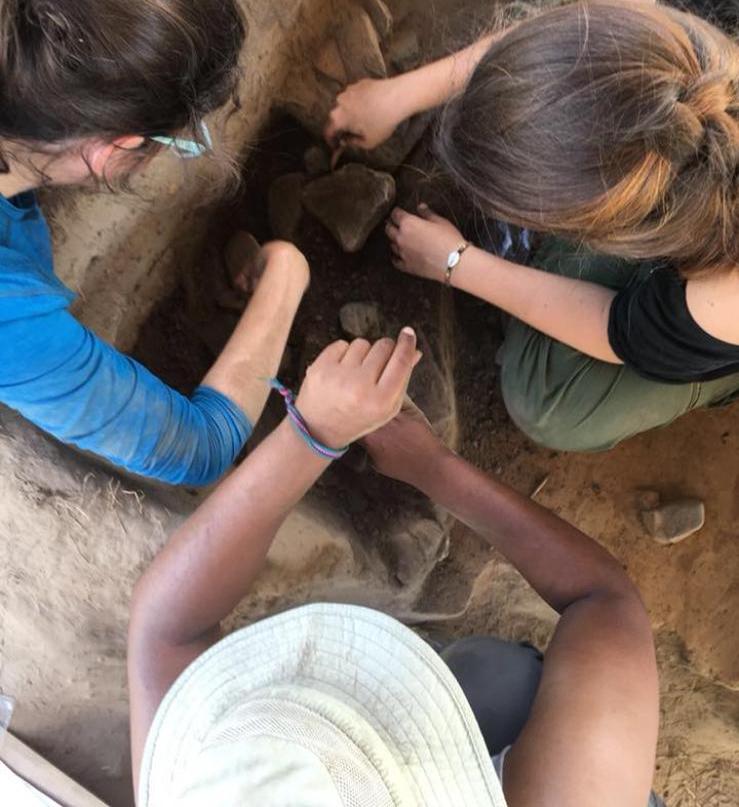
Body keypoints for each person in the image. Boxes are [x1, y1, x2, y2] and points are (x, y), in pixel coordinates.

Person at [127, 326, 663, 807]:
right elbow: (601, 598)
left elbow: (164, 629)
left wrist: (311, 434)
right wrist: (433, 466)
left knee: (482, 673)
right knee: (504, 675)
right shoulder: (574, 797)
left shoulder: (201, 787)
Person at [326, 0, 739, 452]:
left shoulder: (724, 296)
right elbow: (591, 25)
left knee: (547, 402)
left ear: (608, 229)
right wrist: (401, 94)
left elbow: (618, 328)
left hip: (714, 307)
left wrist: (455, 263)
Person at [0, 0, 309, 486]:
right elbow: (200, 446)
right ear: (113, 149)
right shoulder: (10, 319)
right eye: (180, 140)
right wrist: (288, 274)